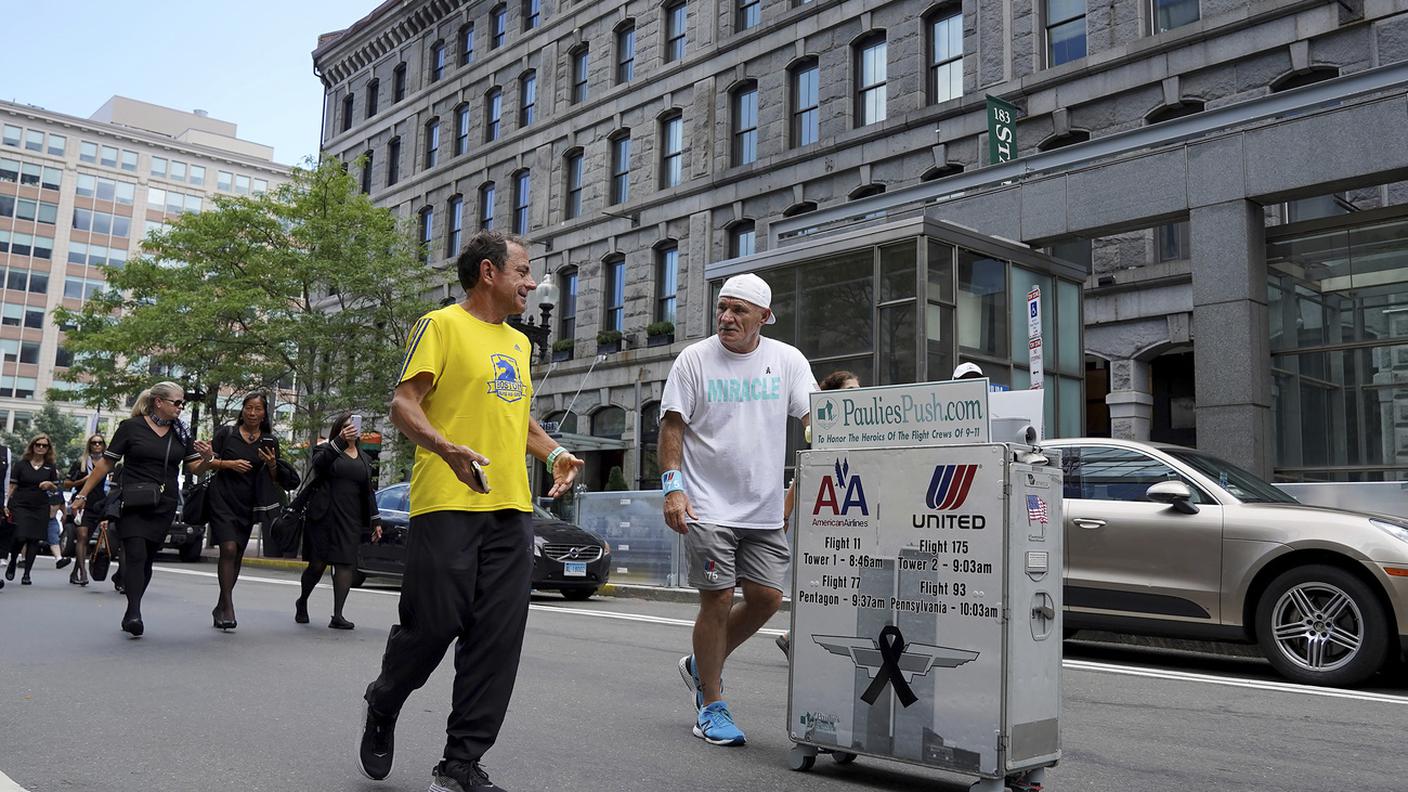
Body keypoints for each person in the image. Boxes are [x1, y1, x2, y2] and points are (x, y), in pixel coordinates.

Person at [357, 230, 582, 792]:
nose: (531, 282)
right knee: (433, 625)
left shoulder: (520, 345)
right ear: (489, 272)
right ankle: (385, 699)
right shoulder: (440, 327)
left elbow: (518, 418)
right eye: (523, 271)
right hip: (447, 501)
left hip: (511, 506)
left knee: (497, 636)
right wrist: (445, 446)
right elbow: (404, 404)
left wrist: (552, 451)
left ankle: (460, 762)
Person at [659, 272, 817, 747]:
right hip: (707, 504)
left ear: (763, 317)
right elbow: (672, 427)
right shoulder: (695, 359)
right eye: (722, 308)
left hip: (764, 508)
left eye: (738, 311)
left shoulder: (786, 360)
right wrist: (673, 488)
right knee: (719, 597)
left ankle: (699, 663)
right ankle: (711, 703)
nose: (726, 318)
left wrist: (831, 432)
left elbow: (813, 416)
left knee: (768, 597)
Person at [72, 382, 214, 637]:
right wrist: (82, 494)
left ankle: (133, 604)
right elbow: (105, 465)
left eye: (183, 403)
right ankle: (134, 611)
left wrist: (208, 459)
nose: (181, 407)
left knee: (147, 558)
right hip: (134, 502)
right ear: (158, 402)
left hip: (165, 504)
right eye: (177, 402)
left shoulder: (181, 432)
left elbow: (194, 469)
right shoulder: (131, 428)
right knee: (135, 553)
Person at [776, 369, 861, 658]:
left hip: (850, 519)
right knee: (826, 583)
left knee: (839, 584)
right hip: (824, 521)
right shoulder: (824, 431)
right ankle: (795, 637)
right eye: (849, 390)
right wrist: (784, 517)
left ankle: (793, 636)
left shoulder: (859, 430)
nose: (857, 397)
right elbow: (801, 477)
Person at [205, 392, 296, 630]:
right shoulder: (227, 434)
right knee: (228, 547)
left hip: (248, 503)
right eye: (248, 408)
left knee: (236, 554)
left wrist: (272, 463)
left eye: (258, 409)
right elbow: (207, 462)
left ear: (265, 413)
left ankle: (220, 605)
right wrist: (228, 464)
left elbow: (275, 478)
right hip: (222, 498)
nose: (253, 413)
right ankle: (228, 606)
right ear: (242, 410)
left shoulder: (269, 440)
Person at [295, 411, 382, 630]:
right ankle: (302, 600)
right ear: (338, 429)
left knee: (345, 564)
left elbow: (368, 491)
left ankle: (338, 615)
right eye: (345, 426)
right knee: (317, 565)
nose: (350, 429)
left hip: (350, 517)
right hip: (324, 515)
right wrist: (340, 442)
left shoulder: (364, 457)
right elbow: (320, 465)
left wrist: (375, 519)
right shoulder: (326, 449)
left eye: (353, 426)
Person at [5, 435, 63, 586]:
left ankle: (27, 574)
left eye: (45, 446)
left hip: (40, 505)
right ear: (33, 446)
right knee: (20, 536)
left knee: (34, 539)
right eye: (38, 444)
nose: (41, 448)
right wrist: (5, 503)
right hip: (20, 504)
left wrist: (49, 485)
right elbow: (12, 486)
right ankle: (12, 562)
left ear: (48, 449)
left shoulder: (50, 466)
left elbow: (56, 487)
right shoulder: (21, 465)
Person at [64, 434, 110, 587]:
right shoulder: (81, 463)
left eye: (99, 443)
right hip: (83, 503)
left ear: (104, 445)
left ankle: (74, 572)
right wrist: (82, 481)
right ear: (89, 445)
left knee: (87, 539)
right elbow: (67, 483)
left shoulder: (109, 463)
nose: (97, 445)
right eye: (93, 443)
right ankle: (83, 572)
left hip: (100, 504)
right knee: (82, 536)